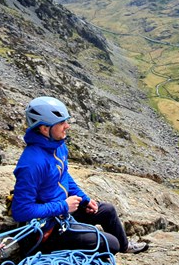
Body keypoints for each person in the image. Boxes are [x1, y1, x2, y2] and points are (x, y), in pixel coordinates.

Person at [11, 96, 148, 254]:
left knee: (108, 211)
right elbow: (21, 211)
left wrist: (84, 199)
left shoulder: (58, 146)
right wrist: (64, 206)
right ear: (44, 129)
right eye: (61, 123)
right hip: (48, 229)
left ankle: (126, 247)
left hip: (62, 212)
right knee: (111, 244)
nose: (67, 126)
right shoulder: (32, 163)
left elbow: (64, 175)